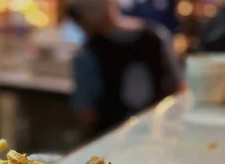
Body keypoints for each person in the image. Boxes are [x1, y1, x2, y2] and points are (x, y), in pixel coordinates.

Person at [66, 0, 185, 137]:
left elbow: (85, 114)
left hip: (110, 144)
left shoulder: (87, 54)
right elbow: (180, 90)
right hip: (157, 137)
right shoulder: (156, 36)